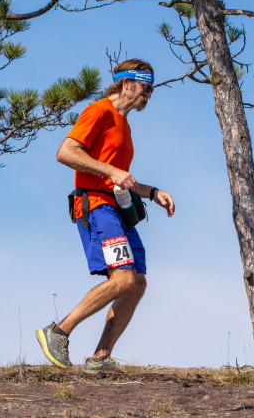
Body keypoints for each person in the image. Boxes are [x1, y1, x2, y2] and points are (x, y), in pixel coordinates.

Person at [36, 58, 175, 372]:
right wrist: (112, 171)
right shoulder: (99, 110)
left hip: (116, 208)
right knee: (123, 278)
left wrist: (153, 193)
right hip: (97, 207)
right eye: (145, 87)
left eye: (151, 89)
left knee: (137, 283)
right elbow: (66, 152)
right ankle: (57, 332)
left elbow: (119, 176)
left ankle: (99, 358)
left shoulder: (124, 124)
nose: (149, 95)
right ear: (127, 83)